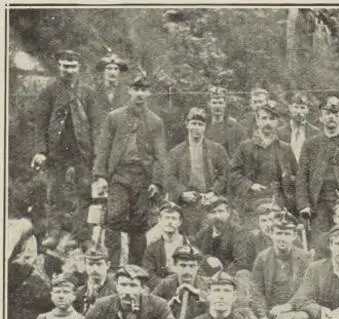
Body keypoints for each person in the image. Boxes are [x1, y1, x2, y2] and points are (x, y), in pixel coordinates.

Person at [92, 74, 168, 265]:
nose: (140, 94)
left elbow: (160, 155)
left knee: (139, 224)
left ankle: (136, 269)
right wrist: (100, 176)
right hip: (119, 174)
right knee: (114, 218)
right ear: (129, 91)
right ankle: (112, 265)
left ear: (149, 93)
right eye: (136, 89)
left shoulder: (155, 121)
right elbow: (103, 148)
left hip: (142, 177)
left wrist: (157, 182)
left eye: (144, 90)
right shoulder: (115, 117)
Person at [32, 50, 98, 249]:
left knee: (85, 192)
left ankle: (81, 235)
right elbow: (40, 123)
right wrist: (40, 151)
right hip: (56, 150)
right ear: (59, 67)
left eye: (72, 66)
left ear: (79, 68)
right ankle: (54, 232)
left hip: (82, 149)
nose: (68, 70)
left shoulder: (87, 93)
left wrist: (97, 154)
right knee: (54, 192)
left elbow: (96, 125)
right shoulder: (49, 91)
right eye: (64, 66)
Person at [296, 95, 339, 237]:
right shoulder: (310, 144)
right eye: (327, 113)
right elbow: (301, 177)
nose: (331, 117)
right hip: (318, 203)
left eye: (335, 114)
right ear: (321, 117)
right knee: (320, 242)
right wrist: (303, 204)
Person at [250, 212, 310, 319]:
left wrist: (287, 307)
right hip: (269, 310)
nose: (282, 238)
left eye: (286, 233)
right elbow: (256, 290)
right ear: (271, 234)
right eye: (278, 233)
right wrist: (262, 316)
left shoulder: (303, 258)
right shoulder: (262, 258)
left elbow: (306, 289)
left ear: (294, 235)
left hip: (295, 309)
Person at [229, 100, 297, 224]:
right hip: (252, 199)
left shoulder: (285, 148)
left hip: (278, 198)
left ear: (277, 122)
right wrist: (250, 185)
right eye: (264, 118)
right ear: (257, 120)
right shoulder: (245, 147)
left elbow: (295, 175)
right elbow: (232, 174)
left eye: (272, 119)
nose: (268, 123)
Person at [166, 107, 229, 236]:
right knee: (189, 237)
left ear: (205, 127)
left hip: (210, 200)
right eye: (193, 123)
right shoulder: (176, 152)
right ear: (187, 124)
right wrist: (183, 193)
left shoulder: (216, 149)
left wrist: (214, 192)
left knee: (212, 235)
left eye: (200, 124)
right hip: (187, 203)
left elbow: (226, 174)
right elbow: (169, 177)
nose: (197, 128)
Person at [152, 244, 209, 319]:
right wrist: (166, 306)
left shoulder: (206, 285)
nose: (187, 271)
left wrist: (199, 293)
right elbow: (149, 310)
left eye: (192, 266)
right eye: (183, 265)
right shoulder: (166, 284)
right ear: (175, 266)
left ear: (198, 267)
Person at [142, 201, 187, 290]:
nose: (170, 222)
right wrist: (166, 286)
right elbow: (149, 274)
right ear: (159, 220)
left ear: (180, 222)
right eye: (166, 218)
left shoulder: (188, 244)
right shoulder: (152, 248)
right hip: (161, 290)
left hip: (186, 286)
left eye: (173, 218)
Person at [231, 201, 284, 272]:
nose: (268, 225)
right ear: (259, 223)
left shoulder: (289, 237)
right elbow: (246, 263)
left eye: (271, 220)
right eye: (263, 221)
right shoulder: (254, 238)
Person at [194, 196, 240, 272]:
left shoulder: (238, 233)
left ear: (228, 212)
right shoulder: (202, 235)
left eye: (220, 211)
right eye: (213, 212)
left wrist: (221, 275)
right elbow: (197, 257)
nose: (217, 216)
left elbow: (241, 263)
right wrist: (206, 259)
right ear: (208, 215)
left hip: (229, 277)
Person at [277, 92, 321, 163]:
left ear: (308, 110)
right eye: (296, 107)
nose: (299, 111)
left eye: (302, 107)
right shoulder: (280, 132)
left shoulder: (315, 132)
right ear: (290, 108)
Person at [205, 86, 247, 158]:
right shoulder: (203, 126)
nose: (217, 106)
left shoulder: (237, 128)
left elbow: (244, 152)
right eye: (214, 103)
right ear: (209, 104)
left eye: (220, 103)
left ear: (225, 104)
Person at [93, 52, 130, 132]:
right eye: (109, 68)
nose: (112, 72)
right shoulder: (94, 90)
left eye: (116, 69)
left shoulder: (127, 92)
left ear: (119, 72)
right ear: (103, 71)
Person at [74, 245, 116, 314]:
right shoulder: (79, 292)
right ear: (85, 265)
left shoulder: (115, 291)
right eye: (90, 264)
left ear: (108, 265)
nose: (95, 269)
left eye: (99, 264)